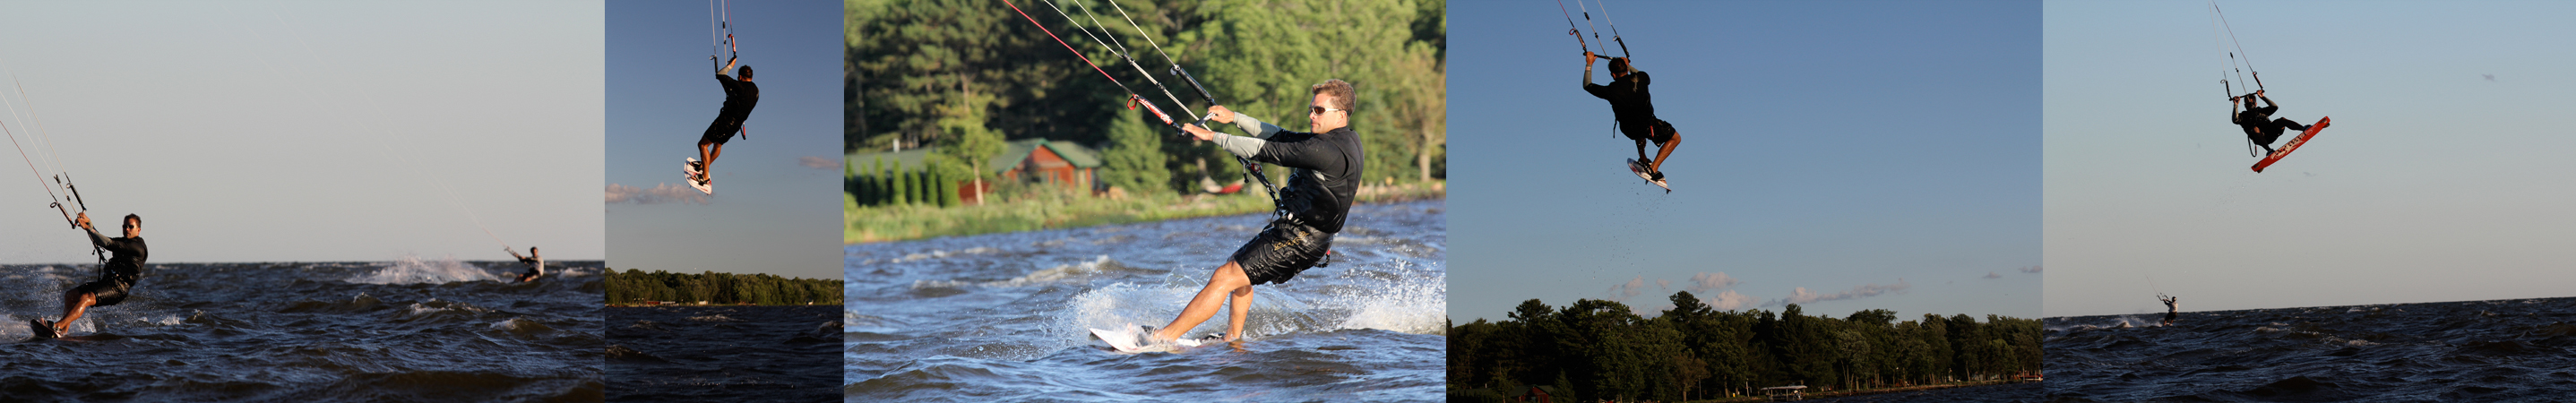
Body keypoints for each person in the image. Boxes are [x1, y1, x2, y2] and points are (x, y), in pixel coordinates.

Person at [1147, 79, 1365, 346]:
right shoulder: (1343, 139)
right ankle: (1233, 340)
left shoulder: (1327, 150)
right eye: (1311, 109)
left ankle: (1163, 337)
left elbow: (1268, 151)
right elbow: (1280, 136)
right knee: (1236, 272)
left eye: (1318, 110)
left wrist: (1212, 136)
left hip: (1302, 240)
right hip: (1298, 233)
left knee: (1225, 276)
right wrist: (1234, 118)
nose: (1311, 114)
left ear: (1341, 115)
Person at [30, 212, 147, 339]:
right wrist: (90, 225)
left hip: (118, 288)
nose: (127, 229)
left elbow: (108, 244)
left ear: (138, 230)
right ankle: (62, 332)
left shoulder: (137, 247)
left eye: (130, 227)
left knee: (86, 298)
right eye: (124, 226)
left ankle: (57, 326)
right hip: (106, 283)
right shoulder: (124, 241)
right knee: (70, 296)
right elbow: (106, 240)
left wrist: (89, 228)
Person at [1584, 51, 1681, 180]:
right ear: (1626, 69)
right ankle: (1653, 168)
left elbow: (1587, 85)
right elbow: (1640, 74)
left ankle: (1643, 158)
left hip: (1628, 129)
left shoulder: (1610, 90)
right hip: (1648, 126)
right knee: (1676, 138)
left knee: (1637, 126)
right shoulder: (1642, 78)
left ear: (1613, 75)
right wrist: (1628, 64)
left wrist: (1589, 64)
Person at [692, 51, 759, 190]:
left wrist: (730, 65)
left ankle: (705, 177)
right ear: (751, 77)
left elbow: (721, 74)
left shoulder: (740, 86)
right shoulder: (756, 90)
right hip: (736, 126)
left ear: (740, 77)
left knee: (703, 145)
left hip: (725, 121)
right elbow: (737, 97)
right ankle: (705, 165)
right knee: (718, 145)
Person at [2232, 90, 2308, 155]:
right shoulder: (2243, 116)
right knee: (2255, 128)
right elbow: (2235, 120)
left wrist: (2263, 97)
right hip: (2261, 138)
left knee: (2282, 120)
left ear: (2256, 104)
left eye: (2252, 103)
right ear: (2245, 105)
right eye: (2248, 104)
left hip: (2271, 132)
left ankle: (2304, 128)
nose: (2250, 106)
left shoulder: (2261, 110)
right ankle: (2269, 151)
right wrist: (2236, 105)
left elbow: (2275, 107)